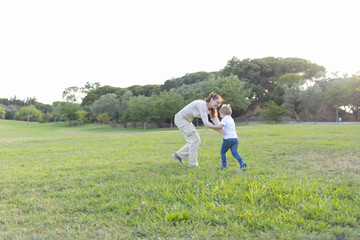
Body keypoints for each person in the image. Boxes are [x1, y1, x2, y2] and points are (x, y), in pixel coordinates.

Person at [172, 92, 223, 167]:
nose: (218, 105)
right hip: (181, 118)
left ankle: (178, 155)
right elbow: (206, 123)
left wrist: (228, 131)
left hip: (187, 120)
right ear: (212, 99)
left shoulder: (211, 110)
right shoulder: (202, 104)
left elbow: (218, 124)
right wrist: (220, 131)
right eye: (217, 102)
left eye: (220, 104)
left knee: (195, 140)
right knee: (195, 139)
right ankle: (193, 164)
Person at [205, 104, 247, 171]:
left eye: (220, 114)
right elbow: (230, 128)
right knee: (235, 152)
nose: (220, 116)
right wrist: (235, 131)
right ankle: (242, 163)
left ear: (223, 113)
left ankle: (224, 166)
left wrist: (210, 126)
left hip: (228, 139)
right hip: (235, 139)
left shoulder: (224, 119)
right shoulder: (231, 119)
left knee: (223, 152)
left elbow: (220, 126)